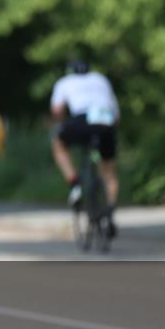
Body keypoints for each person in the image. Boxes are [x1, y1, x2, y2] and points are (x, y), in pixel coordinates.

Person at [50, 59, 120, 237]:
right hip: (105, 120)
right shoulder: (101, 79)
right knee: (109, 171)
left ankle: (74, 182)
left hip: (81, 119)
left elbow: (57, 110)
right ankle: (110, 210)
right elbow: (116, 115)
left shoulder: (65, 82)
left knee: (58, 144)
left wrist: (62, 123)